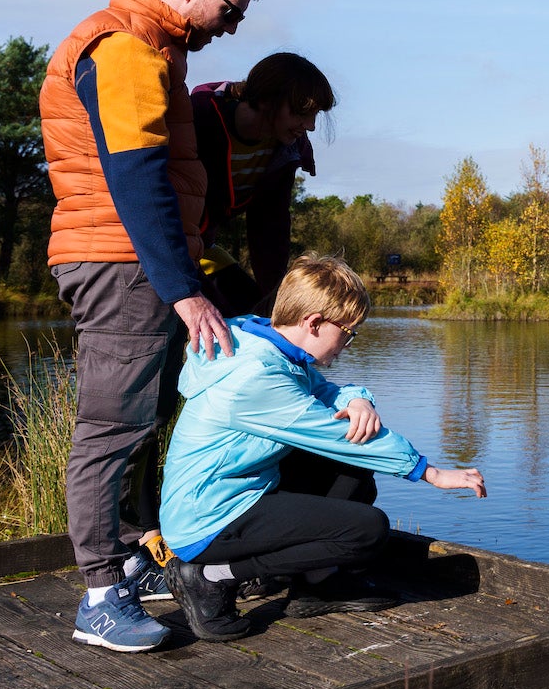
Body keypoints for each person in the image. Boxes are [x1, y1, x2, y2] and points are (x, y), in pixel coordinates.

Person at [39, 0, 261, 653]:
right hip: (121, 260)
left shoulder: (152, 50)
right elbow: (135, 175)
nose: (232, 27)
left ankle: (130, 561)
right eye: (231, 10)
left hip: (130, 258)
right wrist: (182, 289)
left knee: (141, 418)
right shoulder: (127, 49)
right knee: (113, 425)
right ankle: (100, 597)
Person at [159, 254, 486, 640]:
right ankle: (210, 577)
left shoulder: (263, 343)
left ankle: (318, 586)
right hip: (207, 518)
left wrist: (359, 399)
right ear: (314, 323)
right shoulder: (257, 377)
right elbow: (335, 436)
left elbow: (326, 392)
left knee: (353, 472)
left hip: (236, 492)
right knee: (366, 530)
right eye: (348, 332)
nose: (348, 343)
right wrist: (430, 472)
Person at [191, 52, 336, 316]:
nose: (311, 126)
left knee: (258, 311)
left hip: (204, 249)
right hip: (164, 248)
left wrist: (275, 300)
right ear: (269, 100)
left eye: (315, 115)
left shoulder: (286, 149)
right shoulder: (199, 120)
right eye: (303, 112)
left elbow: (270, 229)